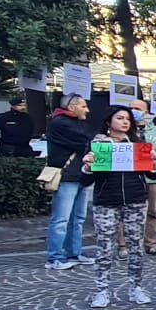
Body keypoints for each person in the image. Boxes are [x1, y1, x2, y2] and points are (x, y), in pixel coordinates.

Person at [79, 105, 155, 309]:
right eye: (120, 118)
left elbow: (152, 174)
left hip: (135, 199)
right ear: (108, 121)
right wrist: (87, 166)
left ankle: (136, 287)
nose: (124, 122)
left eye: (128, 119)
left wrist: (155, 164)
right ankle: (102, 290)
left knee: (136, 246)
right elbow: (86, 180)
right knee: (104, 247)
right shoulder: (98, 144)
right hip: (106, 200)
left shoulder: (137, 144)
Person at [43, 94, 93, 270]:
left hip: (81, 175)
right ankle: (54, 257)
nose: (87, 110)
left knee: (78, 218)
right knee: (61, 219)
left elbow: (89, 140)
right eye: (84, 106)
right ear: (72, 107)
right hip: (66, 176)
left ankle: (74, 252)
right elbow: (86, 142)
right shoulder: (60, 123)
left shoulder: (78, 123)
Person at [126, 100, 156, 255]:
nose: (133, 111)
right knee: (125, 212)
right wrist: (148, 154)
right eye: (131, 108)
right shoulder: (125, 130)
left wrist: (143, 156)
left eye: (137, 109)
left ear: (146, 112)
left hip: (152, 177)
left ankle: (151, 243)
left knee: (152, 211)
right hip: (129, 177)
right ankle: (123, 246)